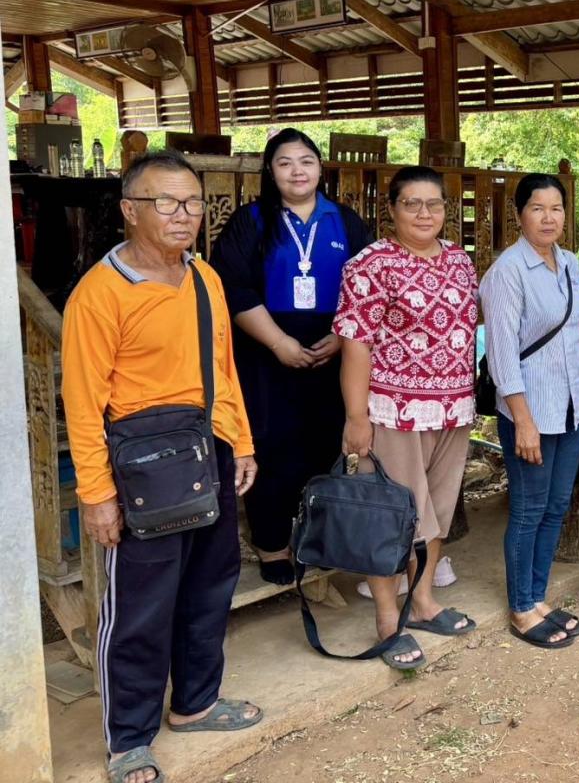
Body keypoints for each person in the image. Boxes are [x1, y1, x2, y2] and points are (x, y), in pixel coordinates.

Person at [62, 151, 262, 783]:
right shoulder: (99, 295)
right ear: (130, 210)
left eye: (193, 202)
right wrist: (97, 494)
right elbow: (83, 403)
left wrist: (241, 442)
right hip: (144, 469)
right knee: (140, 608)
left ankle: (196, 703)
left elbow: (224, 370)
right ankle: (128, 739)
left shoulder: (204, 278)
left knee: (210, 586)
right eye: (167, 202)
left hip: (210, 449)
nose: (184, 215)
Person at [334, 166, 479, 670]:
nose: (424, 213)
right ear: (391, 210)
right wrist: (356, 417)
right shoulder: (370, 265)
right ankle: (386, 618)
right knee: (391, 516)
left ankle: (422, 602)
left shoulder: (460, 260)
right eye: (411, 203)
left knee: (436, 510)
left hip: (453, 409)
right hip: (392, 412)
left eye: (434, 203)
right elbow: (355, 345)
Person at [210, 128, 369, 585]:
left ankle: (315, 536)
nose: (297, 171)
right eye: (285, 162)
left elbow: (367, 285)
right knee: (271, 446)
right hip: (266, 349)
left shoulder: (344, 220)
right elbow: (233, 286)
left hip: (332, 348)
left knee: (323, 445)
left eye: (306, 161)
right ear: (270, 171)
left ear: (320, 168)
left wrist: (341, 335)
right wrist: (279, 343)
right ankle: (271, 544)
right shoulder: (251, 220)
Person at [479, 173, 579, 649]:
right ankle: (521, 607)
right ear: (519, 215)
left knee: (556, 506)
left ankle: (538, 597)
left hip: (572, 409)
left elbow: (575, 336)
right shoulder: (507, 271)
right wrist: (522, 420)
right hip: (531, 412)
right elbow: (503, 353)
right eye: (537, 208)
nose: (549, 218)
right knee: (528, 510)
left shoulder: (570, 263)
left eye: (556, 208)